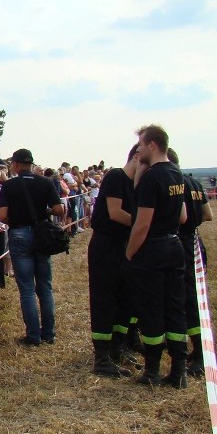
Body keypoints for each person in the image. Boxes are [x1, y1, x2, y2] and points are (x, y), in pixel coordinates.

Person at [125, 125, 188, 388]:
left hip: (153, 249)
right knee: (175, 307)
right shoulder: (176, 173)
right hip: (175, 245)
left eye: (140, 143)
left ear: (152, 144)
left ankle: (152, 370)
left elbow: (142, 224)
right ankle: (179, 371)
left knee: (151, 308)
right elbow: (183, 216)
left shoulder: (153, 178)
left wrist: (129, 253)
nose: (138, 149)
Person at [0, 149, 64, 346]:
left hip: (19, 233)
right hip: (42, 235)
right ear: (32, 164)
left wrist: (18, 219)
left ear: (16, 165)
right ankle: (49, 333)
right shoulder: (45, 182)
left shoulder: (9, 185)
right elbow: (59, 209)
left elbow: (2, 216)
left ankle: (33, 335)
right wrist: (44, 211)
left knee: (27, 288)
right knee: (45, 287)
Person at [88, 145, 140, 377]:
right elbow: (115, 212)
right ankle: (102, 357)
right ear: (138, 157)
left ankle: (118, 347)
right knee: (104, 300)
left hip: (124, 244)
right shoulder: (116, 177)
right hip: (106, 246)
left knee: (124, 299)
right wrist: (145, 224)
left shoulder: (134, 183)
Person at [167, 148, 213, 378]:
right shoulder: (194, 184)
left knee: (186, 300)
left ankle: (198, 353)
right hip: (195, 241)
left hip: (181, 243)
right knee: (194, 296)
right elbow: (208, 214)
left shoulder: (174, 185)